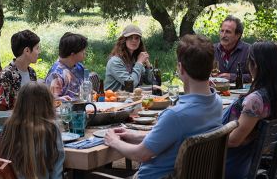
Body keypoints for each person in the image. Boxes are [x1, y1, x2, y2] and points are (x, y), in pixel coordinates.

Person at [105, 34, 223, 179]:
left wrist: (114, 141)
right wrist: (136, 135)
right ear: (212, 66)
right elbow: (175, 136)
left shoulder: (176, 116)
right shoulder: (217, 102)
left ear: (181, 68)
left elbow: (141, 154)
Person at [224, 41, 277, 179]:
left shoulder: (255, 100)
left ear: (256, 65)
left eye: (249, 61)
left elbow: (234, 141)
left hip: (234, 164)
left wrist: (206, 140)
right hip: (252, 159)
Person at [0, 82, 64, 179]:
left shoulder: (8, 126)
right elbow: (57, 169)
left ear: (19, 103)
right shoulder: (51, 128)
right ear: (48, 103)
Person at [0, 30, 40, 110]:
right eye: (37, 48)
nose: (39, 52)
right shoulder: (7, 75)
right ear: (27, 51)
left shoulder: (32, 73)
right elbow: (0, 110)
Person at [104, 24, 153, 91]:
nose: (134, 40)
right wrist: (139, 63)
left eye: (137, 38)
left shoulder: (134, 58)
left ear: (140, 41)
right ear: (124, 40)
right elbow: (131, 84)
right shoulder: (115, 61)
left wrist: (148, 67)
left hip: (130, 98)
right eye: (130, 37)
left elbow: (150, 81)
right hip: (113, 99)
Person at [45, 32, 88, 101]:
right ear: (73, 54)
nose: (85, 52)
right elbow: (50, 101)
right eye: (82, 50)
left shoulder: (79, 66)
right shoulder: (56, 74)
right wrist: (59, 99)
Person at [213, 15, 251, 83]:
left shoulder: (249, 50)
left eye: (228, 32)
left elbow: (256, 76)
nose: (223, 35)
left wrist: (233, 77)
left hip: (241, 92)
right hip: (215, 92)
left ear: (238, 35)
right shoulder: (212, 50)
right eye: (222, 31)